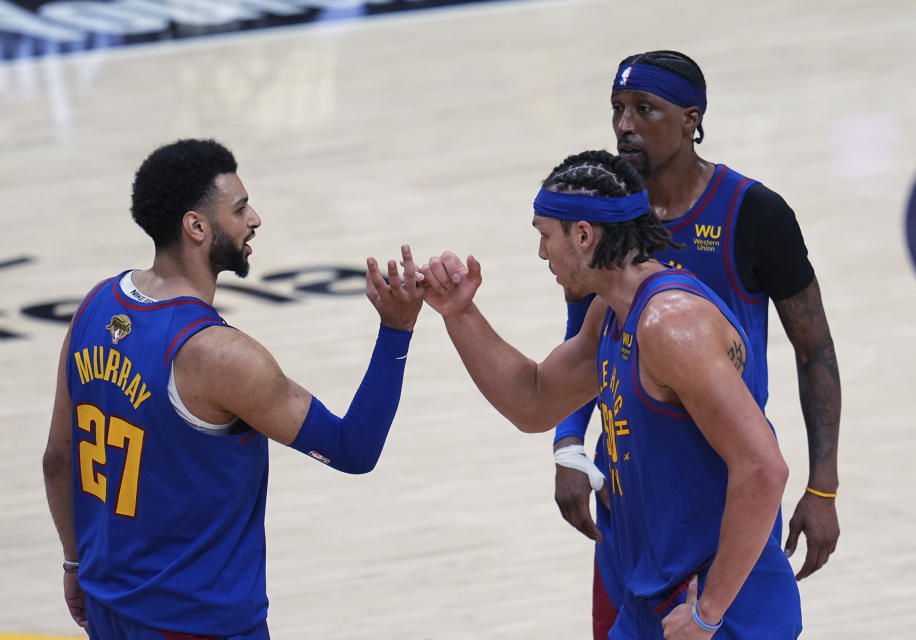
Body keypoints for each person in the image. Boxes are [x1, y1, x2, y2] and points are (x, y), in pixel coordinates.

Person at [41, 138, 425, 639]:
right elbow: (353, 448)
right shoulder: (220, 356)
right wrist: (396, 332)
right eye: (240, 208)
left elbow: (57, 459)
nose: (255, 219)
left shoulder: (95, 306)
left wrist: (74, 564)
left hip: (108, 606)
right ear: (196, 227)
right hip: (196, 622)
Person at [420, 149, 802, 638]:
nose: (542, 254)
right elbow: (535, 401)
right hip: (655, 599)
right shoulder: (612, 314)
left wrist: (710, 611)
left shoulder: (671, 326)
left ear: (582, 236)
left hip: (724, 610)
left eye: (544, 235)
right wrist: (459, 313)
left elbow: (765, 468)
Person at [550, 51, 841, 637]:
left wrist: (823, 485)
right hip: (632, 480)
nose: (624, 125)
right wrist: (568, 443)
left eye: (643, 109)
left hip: (718, 474)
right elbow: (583, 346)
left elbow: (814, 352)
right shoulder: (605, 210)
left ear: (691, 119)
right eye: (617, 109)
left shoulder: (755, 213)